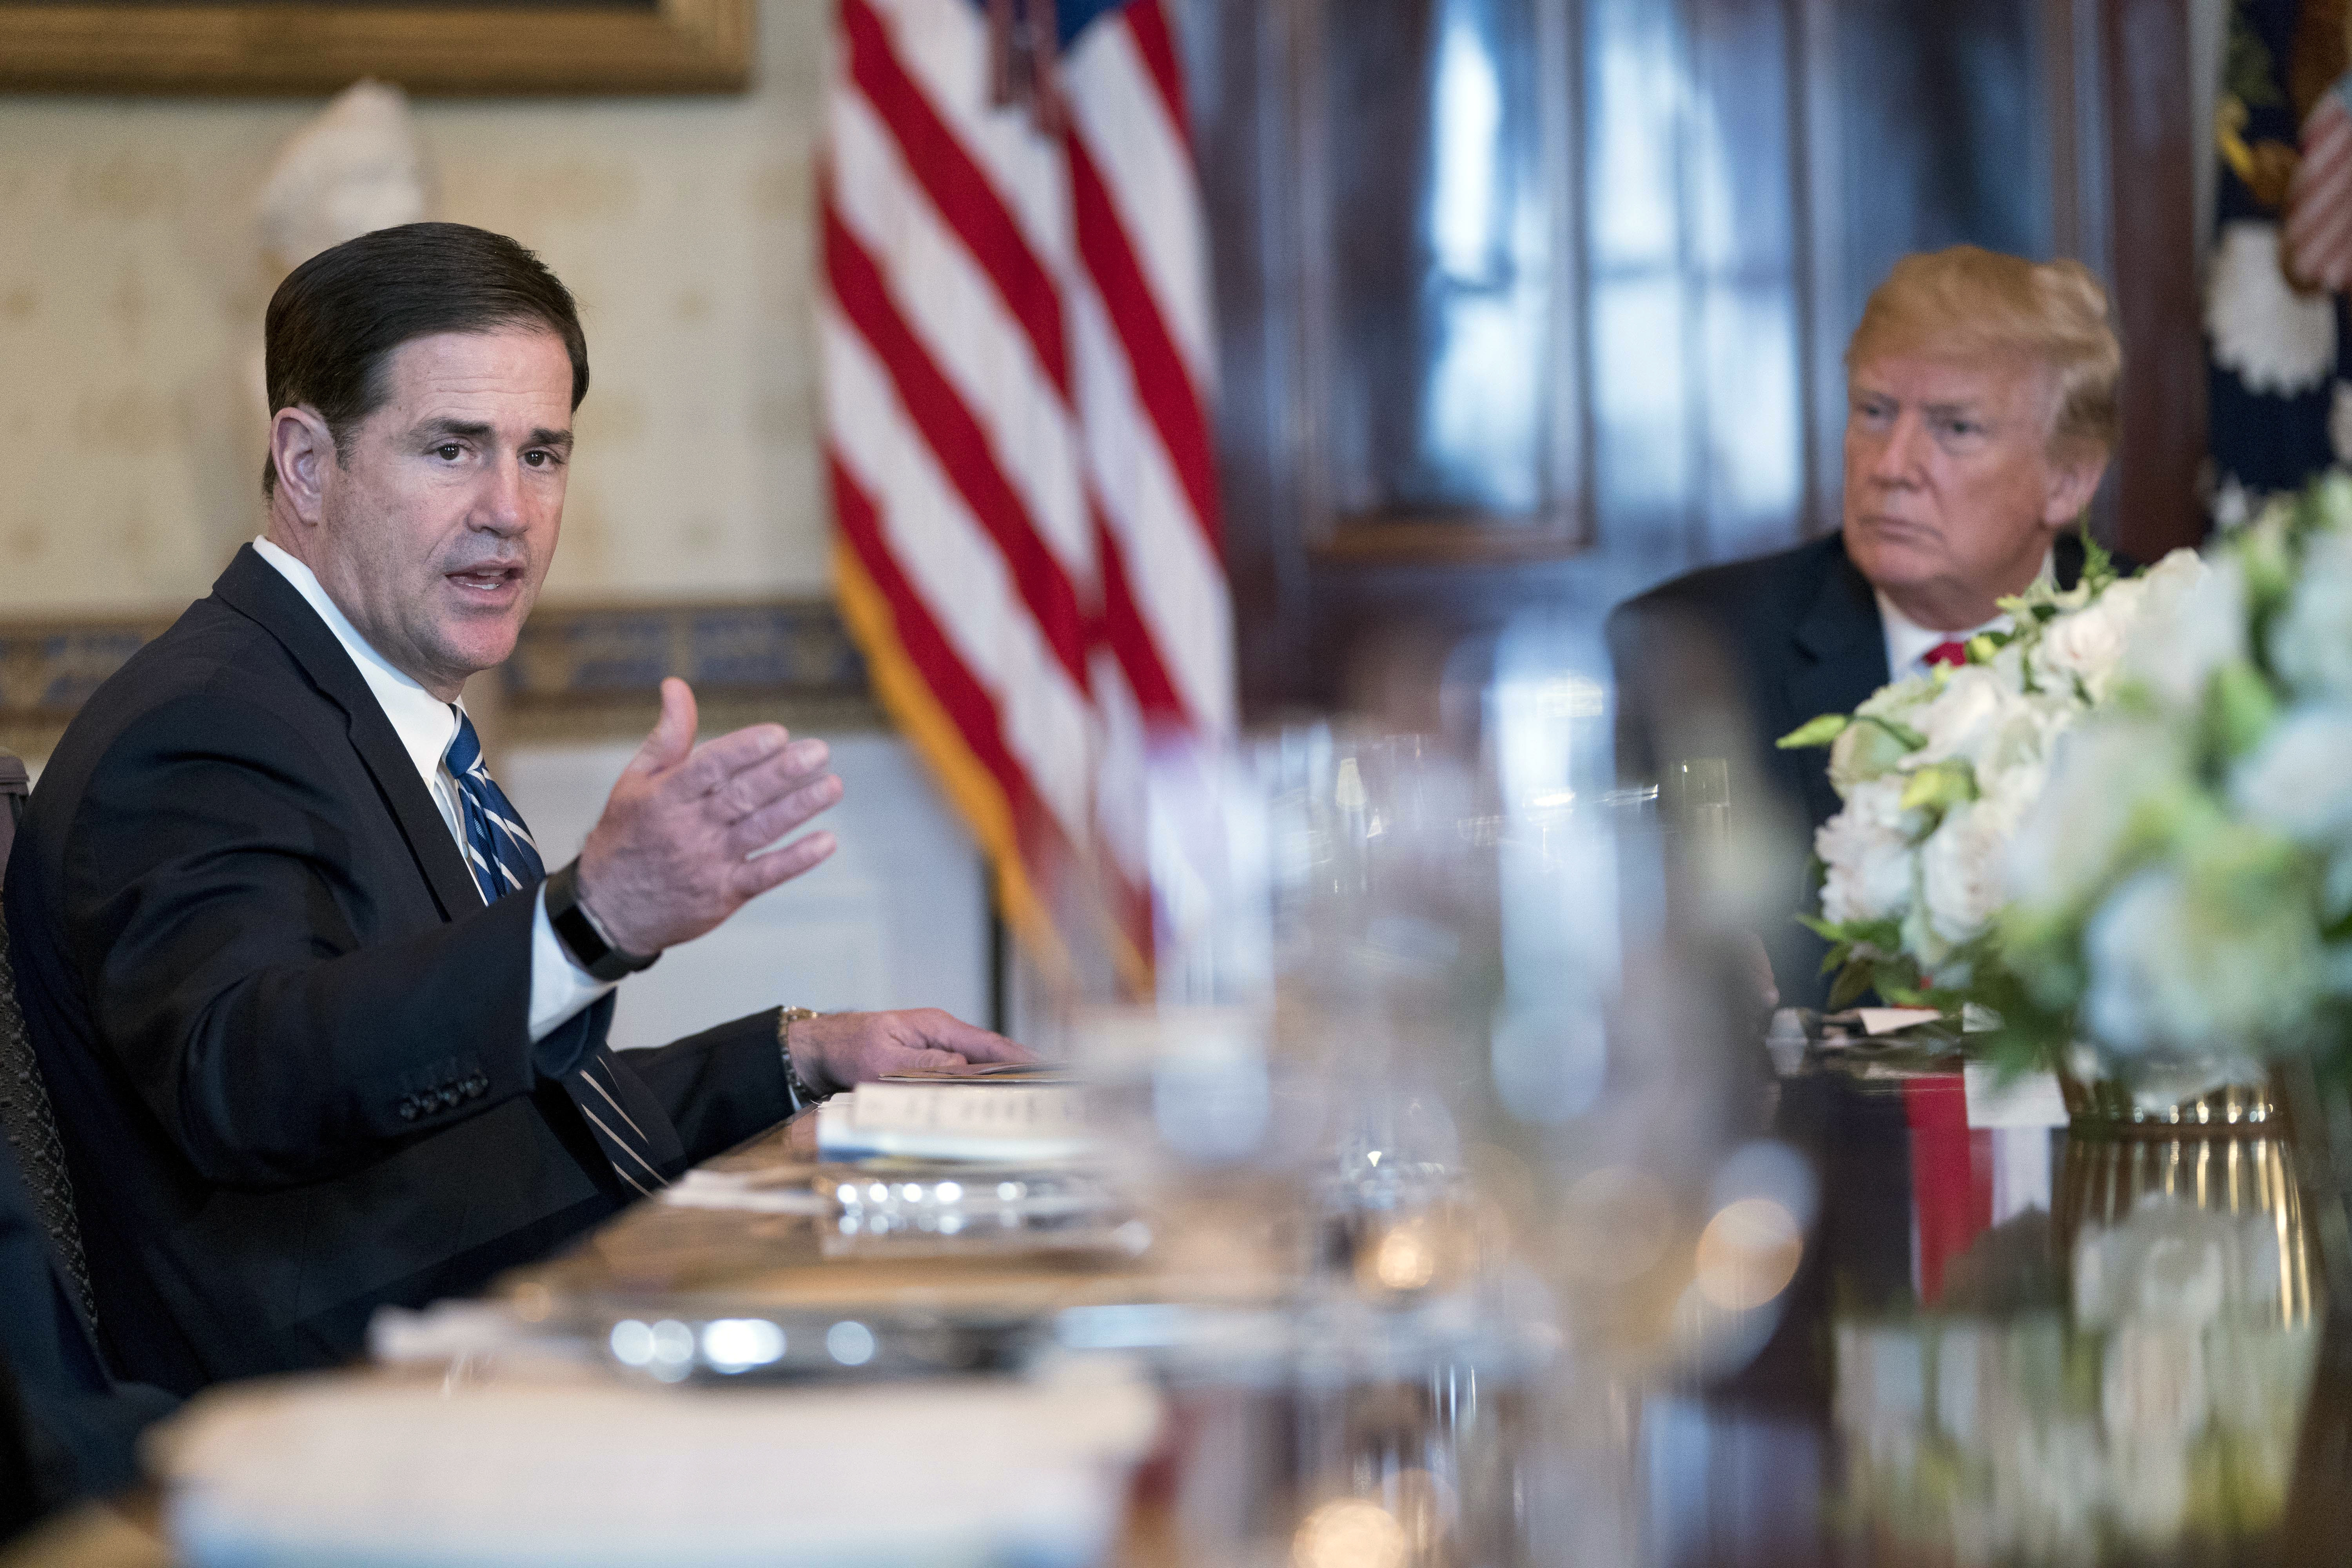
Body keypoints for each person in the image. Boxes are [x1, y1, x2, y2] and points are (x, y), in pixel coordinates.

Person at [2, 222, 1029, 1395]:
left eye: (543, 455)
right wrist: (588, 923)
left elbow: (498, 1108)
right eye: (452, 449)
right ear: (305, 464)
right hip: (359, 1418)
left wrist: (796, 1056)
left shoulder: (367, 703)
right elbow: (256, 1078)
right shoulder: (204, 728)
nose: (510, 509)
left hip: (491, 1340)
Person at [1607, 246, 2120, 1007]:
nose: (1892, 464)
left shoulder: (2179, 642)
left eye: (1955, 428)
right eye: (1875, 413)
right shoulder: (1698, 652)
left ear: (2068, 479)